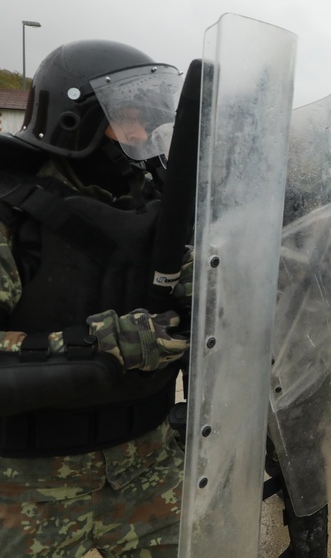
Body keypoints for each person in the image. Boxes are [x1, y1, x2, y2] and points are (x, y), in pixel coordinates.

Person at [0, 40, 190, 556]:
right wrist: (102, 347)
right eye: (124, 121)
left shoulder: (156, 206)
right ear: (71, 120)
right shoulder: (12, 213)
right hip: (29, 486)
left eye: (146, 122)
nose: (140, 136)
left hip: (146, 466)